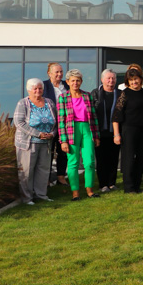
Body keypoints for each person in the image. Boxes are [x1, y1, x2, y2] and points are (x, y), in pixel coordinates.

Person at [58, 69, 101, 200]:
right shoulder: (63, 98)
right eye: (73, 81)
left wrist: (97, 135)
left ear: (81, 82)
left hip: (87, 129)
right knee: (73, 162)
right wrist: (63, 141)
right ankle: (75, 192)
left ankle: (89, 190)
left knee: (89, 162)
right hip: (71, 130)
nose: (75, 83)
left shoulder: (87, 96)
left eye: (78, 80)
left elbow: (93, 117)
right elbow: (61, 121)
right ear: (67, 82)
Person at [14, 79, 57, 205]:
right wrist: (38, 134)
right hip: (28, 143)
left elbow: (56, 122)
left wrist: (52, 134)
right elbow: (19, 123)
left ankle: (41, 195)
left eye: (40, 88)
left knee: (43, 170)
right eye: (35, 88)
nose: (38, 91)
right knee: (26, 171)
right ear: (29, 90)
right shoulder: (23, 103)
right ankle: (27, 198)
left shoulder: (49, 102)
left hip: (46, 143)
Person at [112, 67, 143, 194]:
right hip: (129, 130)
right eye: (131, 80)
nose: (134, 82)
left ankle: (137, 185)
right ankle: (128, 187)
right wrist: (116, 134)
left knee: (141, 158)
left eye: (136, 79)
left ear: (140, 79)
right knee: (128, 158)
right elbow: (116, 115)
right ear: (128, 81)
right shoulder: (125, 93)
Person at [92, 69, 120, 192]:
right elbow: (92, 114)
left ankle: (111, 183)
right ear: (102, 79)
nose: (111, 81)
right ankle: (103, 184)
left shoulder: (120, 94)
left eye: (113, 78)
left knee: (113, 159)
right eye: (108, 78)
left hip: (115, 132)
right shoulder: (95, 93)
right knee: (101, 159)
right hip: (100, 132)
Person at [42, 62, 69, 186]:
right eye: (57, 72)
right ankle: (46, 178)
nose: (59, 74)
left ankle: (61, 176)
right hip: (49, 125)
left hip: (65, 124)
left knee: (63, 151)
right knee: (48, 152)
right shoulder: (43, 86)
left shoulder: (66, 86)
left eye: (61, 72)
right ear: (49, 73)